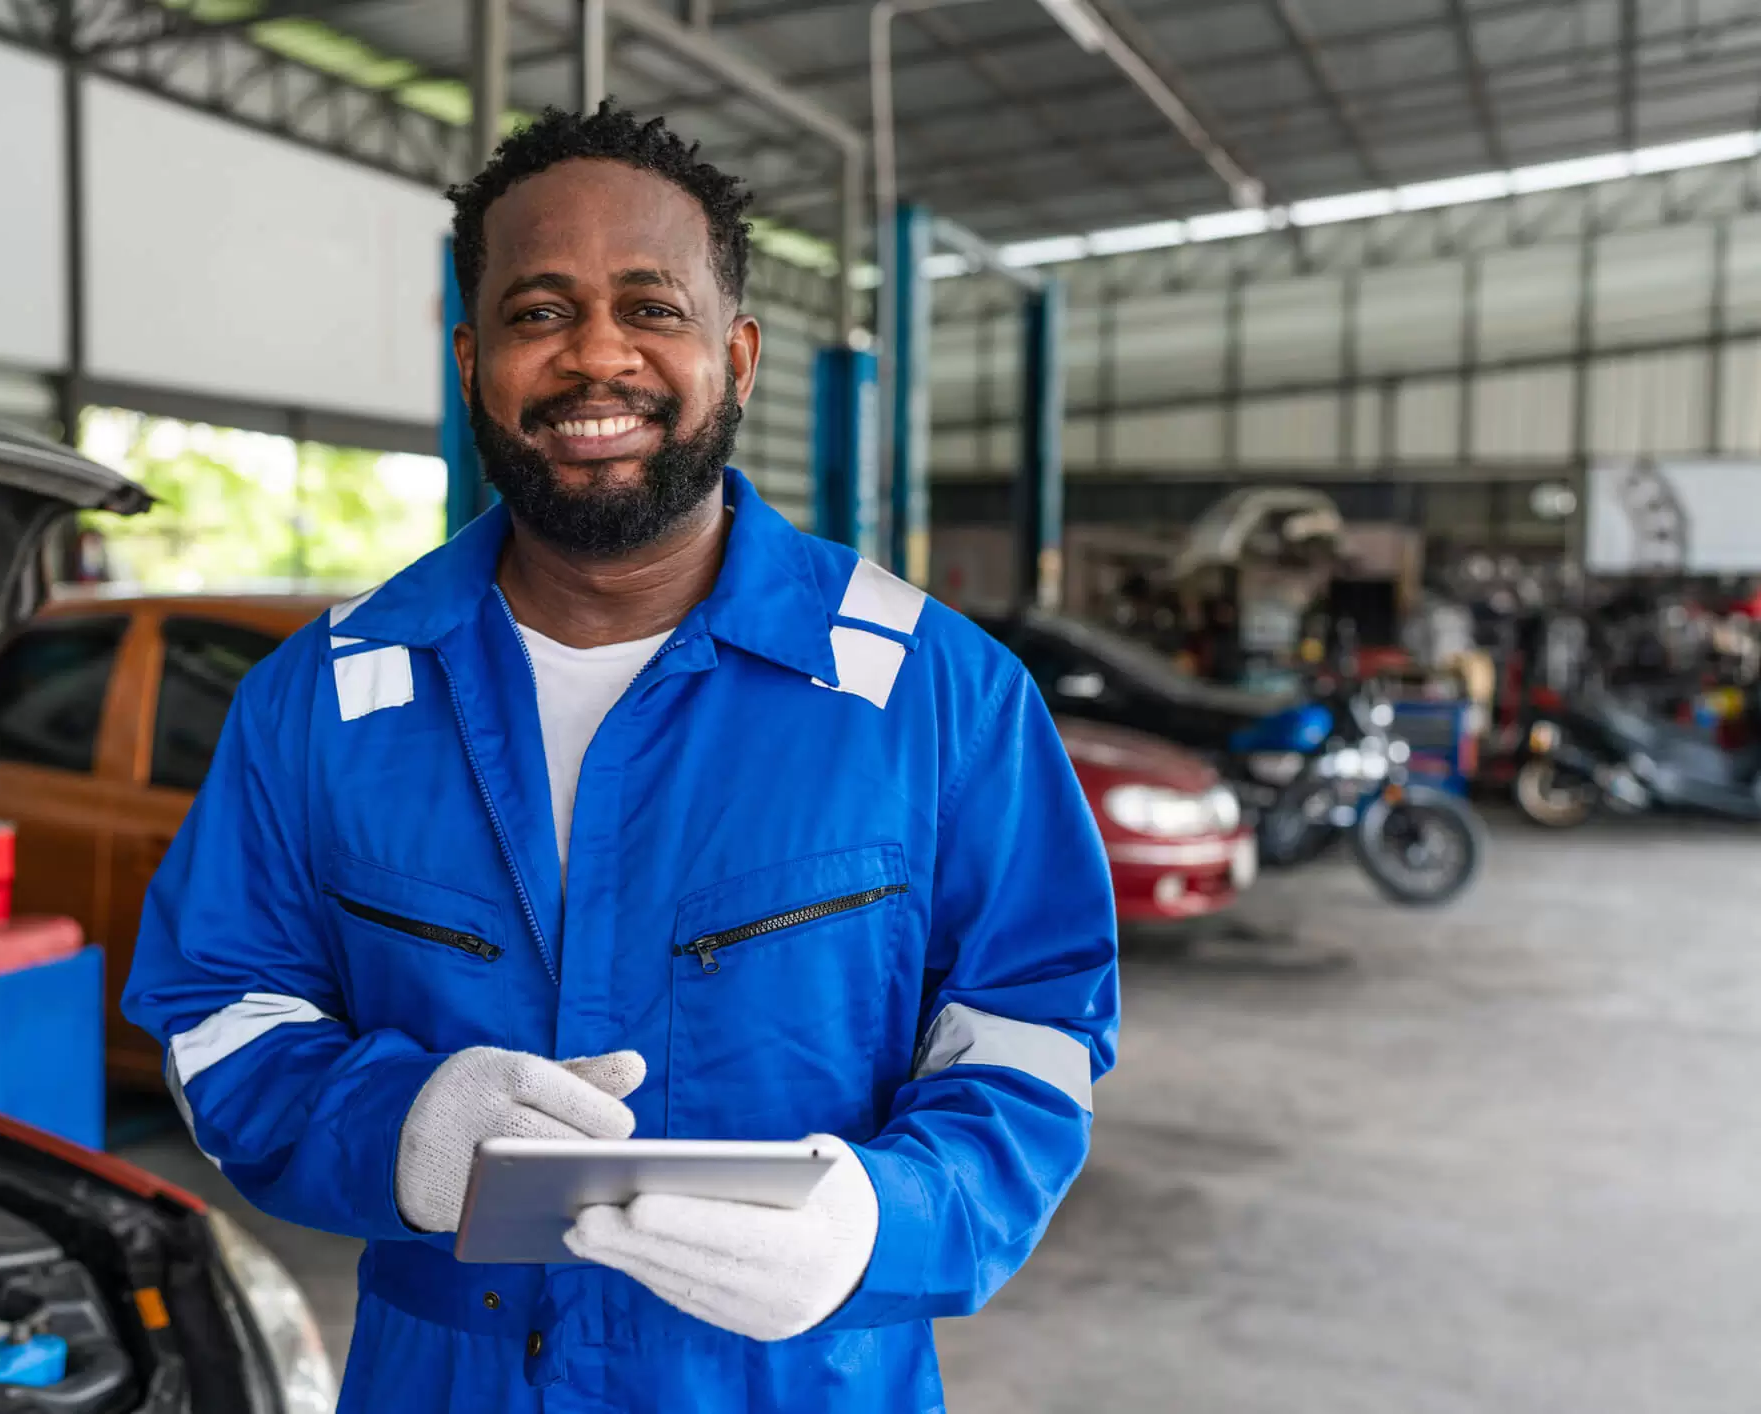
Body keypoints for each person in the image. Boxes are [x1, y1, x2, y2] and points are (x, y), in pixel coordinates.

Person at [123, 104, 1118, 1414]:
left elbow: (1031, 1036)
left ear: (738, 354)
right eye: (541, 313)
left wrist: (882, 1219)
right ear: (474, 361)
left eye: (651, 307)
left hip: (805, 1383)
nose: (599, 355)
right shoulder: (322, 703)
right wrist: (400, 1129)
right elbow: (220, 1017)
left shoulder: (931, 690)